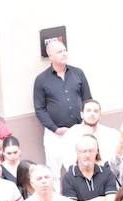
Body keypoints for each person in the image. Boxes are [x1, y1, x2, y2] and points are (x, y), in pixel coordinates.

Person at [32, 38, 90, 177]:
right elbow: (39, 108)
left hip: (78, 130)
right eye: (59, 51)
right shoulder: (41, 80)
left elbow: (87, 100)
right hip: (54, 134)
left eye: (65, 50)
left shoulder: (78, 73)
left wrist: (85, 124)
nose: (64, 53)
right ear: (50, 56)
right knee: (54, 170)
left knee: (81, 166)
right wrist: (55, 129)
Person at [60, 136, 118, 201]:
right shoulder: (68, 178)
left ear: (96, 152)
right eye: (84, 151)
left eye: (91, 151)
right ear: (77, 153)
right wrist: (98, 200)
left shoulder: (107, 173)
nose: (87, 155)